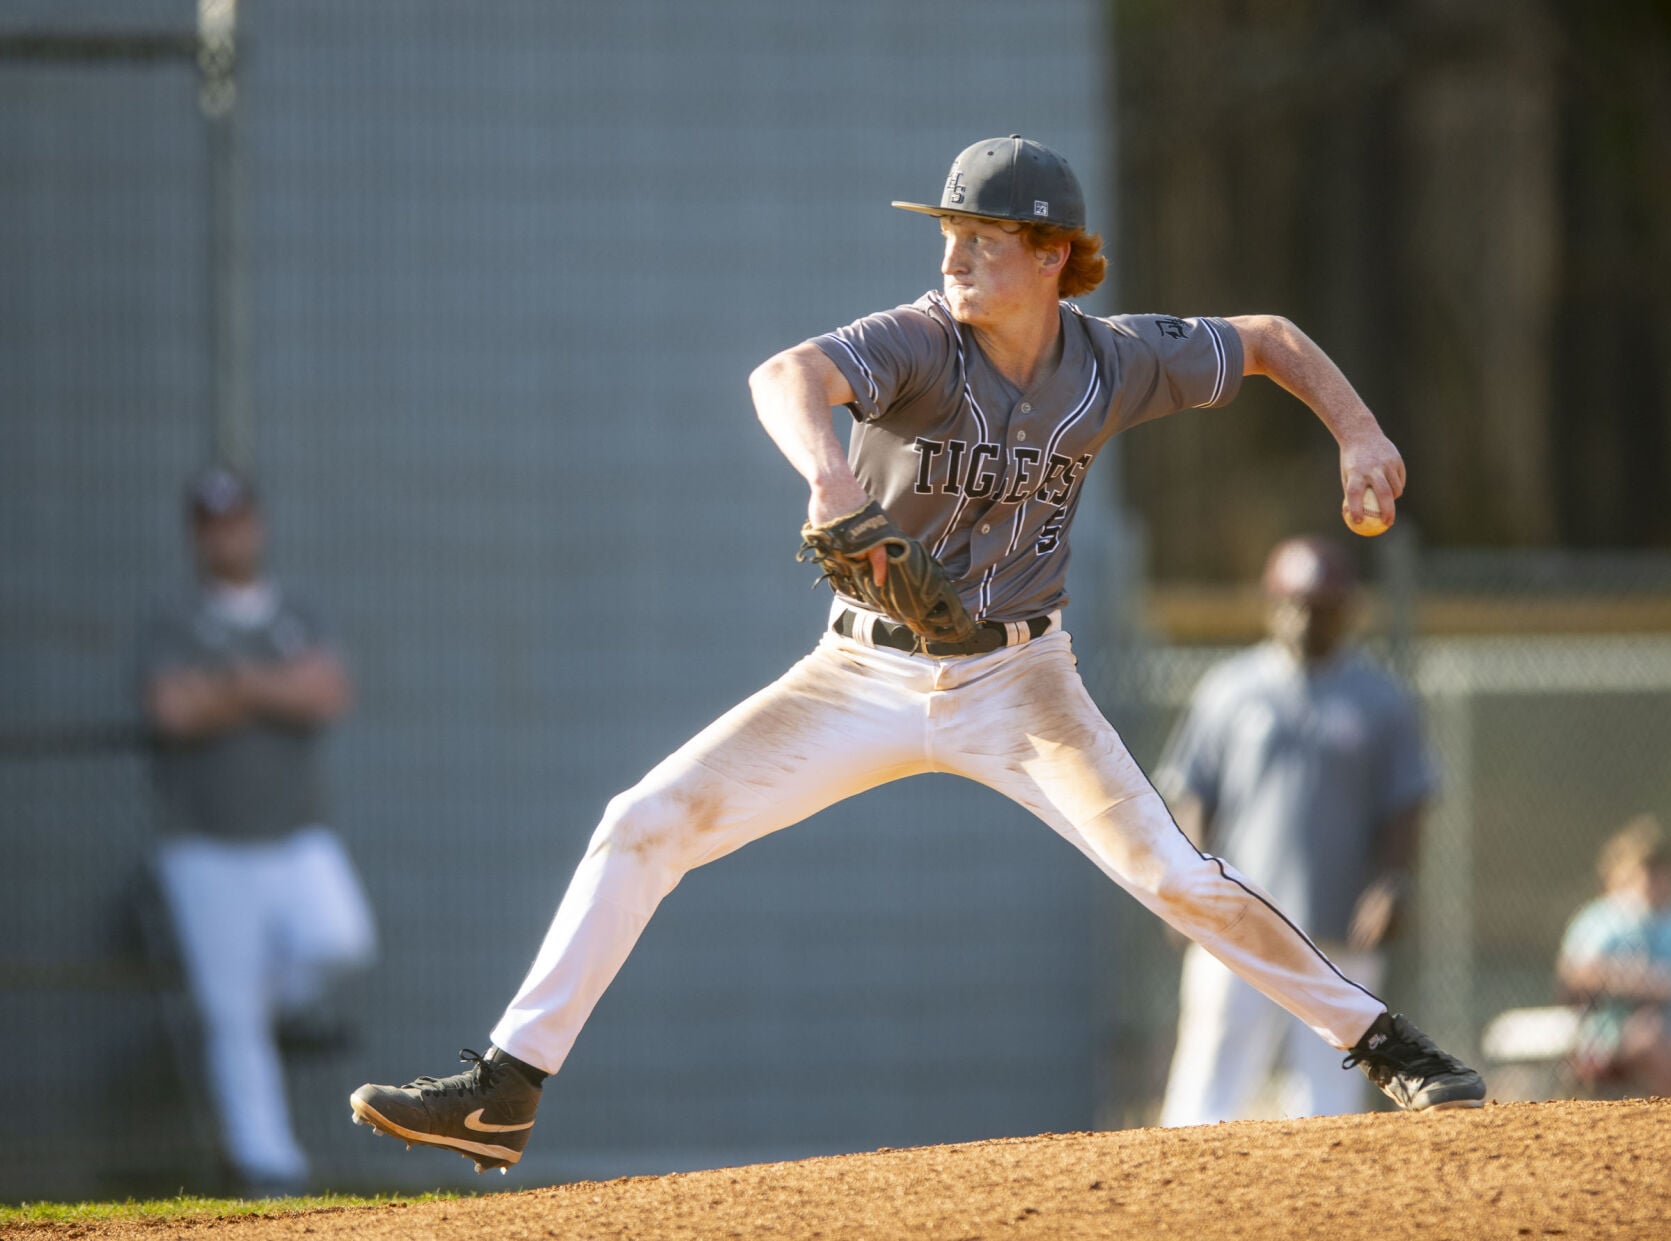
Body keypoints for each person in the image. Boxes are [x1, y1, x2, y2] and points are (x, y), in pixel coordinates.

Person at [349, 135, 1484, 1173]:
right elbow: (782, 375)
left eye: (983, 239)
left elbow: (1273, 341)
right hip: (859, 675)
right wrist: (830, 477)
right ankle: (508, 1086)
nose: (955, 256)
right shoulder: (922, 340)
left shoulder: (1116, 363)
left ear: (1051, 254)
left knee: (1176, 875)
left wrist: (1361, 433)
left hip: (1023, 683)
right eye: (946, 233)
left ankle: (1389, 1046)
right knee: (642, 819)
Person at [140, 464, 378, 1195]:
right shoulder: (174, 620)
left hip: (294, 834)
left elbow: (329, 691)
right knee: (230, 1017)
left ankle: (287, 1000)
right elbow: (172, 711)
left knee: (342, 938)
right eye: (213, 523)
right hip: (204, 845)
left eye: (238, 519)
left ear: (258, 524)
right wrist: (274, 687)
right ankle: (270, 1167)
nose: (229, 534)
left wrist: (233, 685)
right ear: (196, 535)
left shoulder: (295, 609)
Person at [1155, 536, 1437, 1125]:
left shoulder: (1378, 700)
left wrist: (1393, 884)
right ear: (1272, 604)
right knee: (1206, 1086)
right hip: (1237, 925)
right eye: (1297, 602)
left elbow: (1406, 803)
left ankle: (1325, 1214)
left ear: (1347, 609)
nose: (1309, 617)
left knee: (1328, 1098)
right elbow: (1194, 791)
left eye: (1324, 605)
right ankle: (1180, 1207)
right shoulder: (1229, 690)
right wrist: (1184, 887)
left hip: (1337, 929)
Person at [1556, 814, 1671, 1096]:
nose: (1651, 882)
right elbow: (1574, 975)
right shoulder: (1602, 918)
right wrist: (1640, 983)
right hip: (1608, 1031)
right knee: (1650, 1036)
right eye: (1642, 872)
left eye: (1658, 872)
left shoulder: (1666, 921)